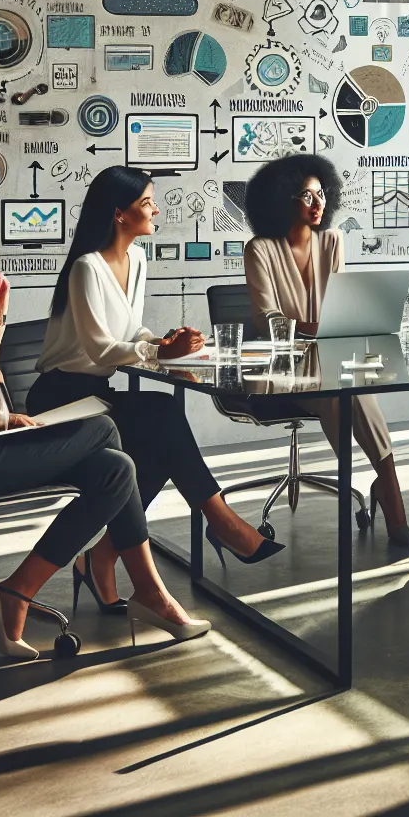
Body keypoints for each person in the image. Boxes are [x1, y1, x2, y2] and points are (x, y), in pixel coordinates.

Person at [0, 174, 208, 660]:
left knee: (116, 469)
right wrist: (5, 422)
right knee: (102, 427)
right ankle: (143, 591)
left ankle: (20, 591)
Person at [32, 166, 284, 608]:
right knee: (163, 422)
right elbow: (101, 349)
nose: (156, 209)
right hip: (60, 400)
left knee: (161, 435)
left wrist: (163, 342)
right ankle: (219, 522)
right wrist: (159, 354)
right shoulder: (86, 268)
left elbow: (131, 330)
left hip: (95, 395)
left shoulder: (138, 260)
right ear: (119, 214)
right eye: (147, 202)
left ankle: (105, 557)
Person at [242, 154, 409, 547]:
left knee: (350, 386)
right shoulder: (260, 249)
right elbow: (266, 317)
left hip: (333, 359)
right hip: (285, 367)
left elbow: (340, 302)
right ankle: (387, 486)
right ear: (283, 199)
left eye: (322, 194)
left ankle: (387, 481)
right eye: (306, 195)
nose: (318, 204)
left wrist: (349, 320)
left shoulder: (332, 241)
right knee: (342, 392)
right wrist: (307, 327)